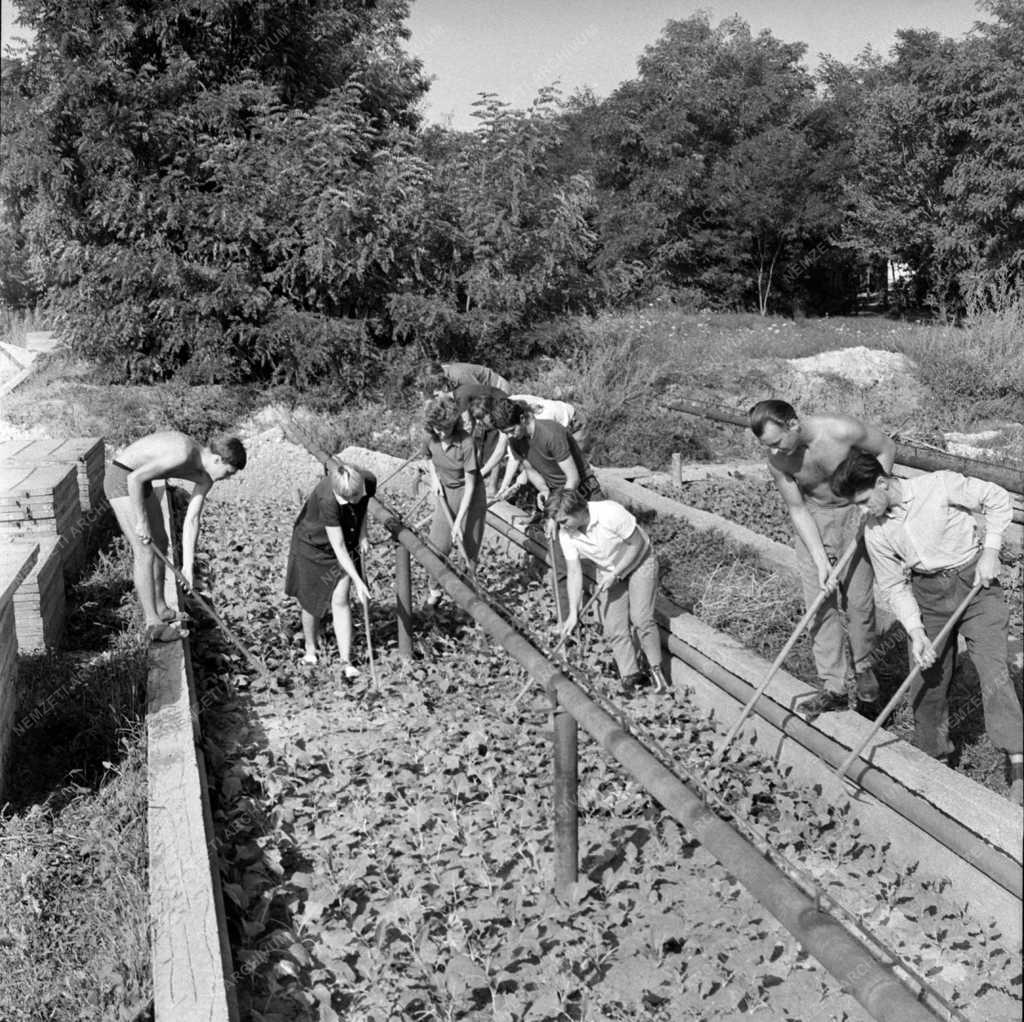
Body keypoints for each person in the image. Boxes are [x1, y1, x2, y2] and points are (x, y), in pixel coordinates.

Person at [830, 449, 1023, 804]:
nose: (862, 511)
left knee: (993, 671)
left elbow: (996, 498)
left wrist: (991, 552)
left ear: (883, 483)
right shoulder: (875, 532)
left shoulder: (940, 486)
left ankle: (1017, 759)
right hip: (927, 595)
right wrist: (917, 633)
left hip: (976, 585)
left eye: (863, 500)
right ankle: (934, 759)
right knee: (927, 677)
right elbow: (893, 586)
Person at [749, 399, 895, 716]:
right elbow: (798, 508)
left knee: (858, 606)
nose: (775, 451)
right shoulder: (778, 460)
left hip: (853, 514)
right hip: (814, 520)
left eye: (777, 442)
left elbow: (886, 447)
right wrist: (820, 560)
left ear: (793, 424)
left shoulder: (841, 430)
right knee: (819, 604)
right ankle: (834, 688)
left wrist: (876, 495)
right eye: (767, 446)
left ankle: (866, 680)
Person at [103, 431, 246, 643]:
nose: (226, 478)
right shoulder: (183, 453)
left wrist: (188, 567)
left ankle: (161, 608)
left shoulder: (206, 478)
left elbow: (192, 519)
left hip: (143, 481)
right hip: (123, 477)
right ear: (217, 459)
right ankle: (153, 625)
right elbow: (134, 478)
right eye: (227, 473)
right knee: (144, 549)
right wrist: (141, 522)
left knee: (161, 541)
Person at [547, 490, 667, 696]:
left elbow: (637, 543)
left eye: (564, 520)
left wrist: (617, 573)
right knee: (613, 623)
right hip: (609, 568)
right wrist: (574, 614)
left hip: (639, 561)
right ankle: (631, 677)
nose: (561, 525)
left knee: (640, 617)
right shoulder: (566, 533)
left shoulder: (609, 512)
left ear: (577, 511)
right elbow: (574, 572)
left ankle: (657, 672)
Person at [284, 461, 374, 677]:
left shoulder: (368, 480)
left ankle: (346, 661)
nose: (353, 502)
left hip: (344, 541)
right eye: (348, 500)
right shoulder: (327, 499)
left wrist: (362, 533)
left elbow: (363, 507)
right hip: (313, 545)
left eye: (356, 496)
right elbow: (339, 547)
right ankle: (310, 650)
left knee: (340, 599)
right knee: (311, 600)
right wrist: (359, 581)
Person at [422, 395, 486, 608]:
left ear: (454, 424)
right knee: (437, 547)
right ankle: (434, 591)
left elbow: (471, 484)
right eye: (436, 428)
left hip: (471, 496)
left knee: (468, 549)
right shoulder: (430, 437)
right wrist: (434, 478)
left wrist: (459, 521)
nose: (440, 433)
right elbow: (428, 457)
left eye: (445, 429)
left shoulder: (466, 442)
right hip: (446, 493)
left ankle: (466, 602)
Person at [508, 392, 590, 453]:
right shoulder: (510, 409)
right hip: (560, 425)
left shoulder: (543, 419)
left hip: (575, 426)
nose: (511, 435)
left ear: (522, 419)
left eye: (512, 431)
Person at [428, 360, 511, 393]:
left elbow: (480, 393)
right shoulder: (445, 371)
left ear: (438, 374)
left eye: (433, 380)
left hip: (498, 388)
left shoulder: (459, 375)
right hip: (488, 390)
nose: (434, 383)